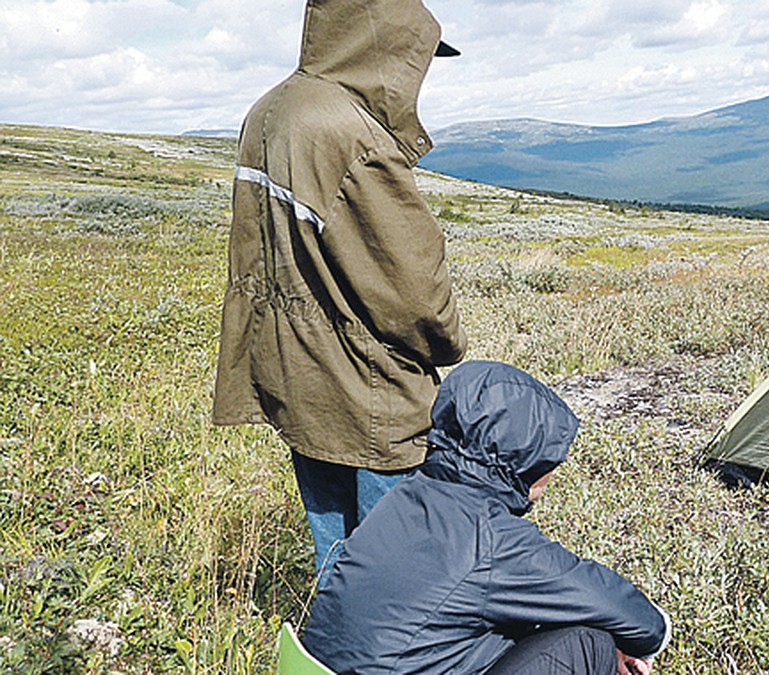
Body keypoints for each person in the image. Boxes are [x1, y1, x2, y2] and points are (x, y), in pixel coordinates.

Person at [212, 0, 467, 588]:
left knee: (338, 559)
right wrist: (447, 343)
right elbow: (414, 289)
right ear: (383, 46)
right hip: (370, 386)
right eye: (418, 55)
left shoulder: (270, 110)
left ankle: (336, 651)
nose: (421, 71)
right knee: (398, 570)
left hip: (297, 374)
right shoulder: (350, 132)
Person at [302, 361, 671, 674]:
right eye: (552, 456)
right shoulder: (493, 539)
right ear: (524, 459)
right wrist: (652, 635)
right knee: (592, 644)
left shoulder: (409, 494)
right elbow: (636, 620)